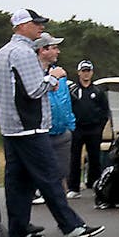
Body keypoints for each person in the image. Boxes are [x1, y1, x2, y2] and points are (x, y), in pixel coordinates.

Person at [0, 8, 104, 237]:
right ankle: (71, 226)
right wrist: (53, 78)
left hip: (11, 127)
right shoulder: (23, 53)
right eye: (37, 23)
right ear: (23, 25)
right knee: (50, 177)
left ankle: (18, 228)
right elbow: (34, 90)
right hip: (30, 125)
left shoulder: (3, 52)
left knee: (18, 180)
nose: (41, 27)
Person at [34, 33, 75, 204]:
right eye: (54, 47)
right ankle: (44, 194)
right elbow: (35, 93)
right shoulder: (32, 72)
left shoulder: (60, 73)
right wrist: (53, 78)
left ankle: (60, 200)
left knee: (62, 169)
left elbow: (65, 101)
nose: (58, 51)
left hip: (62, 131)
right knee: (44, 169)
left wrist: (70, 125)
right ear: (43, 50)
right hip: (43, 131)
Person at [69, 59, 109, 195]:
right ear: (79, 73)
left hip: (93, 129)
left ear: (92, 73)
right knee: (74, 158)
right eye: (83, 71)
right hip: (77, 129)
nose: (86, 74)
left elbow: (105, 111)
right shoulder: (73, 91)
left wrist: (100, 127)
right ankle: (73, 188)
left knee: (94, 158)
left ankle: (95, 185)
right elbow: (68, 109)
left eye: (88, 71)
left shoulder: (98, 91)